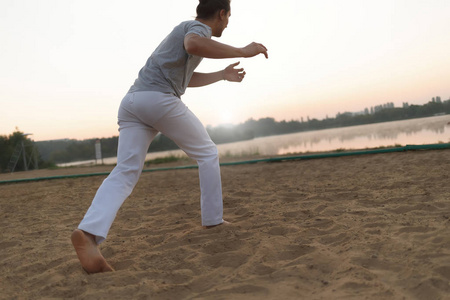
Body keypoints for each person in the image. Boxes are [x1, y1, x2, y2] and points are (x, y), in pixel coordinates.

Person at [71, 0, 268, 274]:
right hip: (157, 99)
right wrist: (243, 51)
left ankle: (89, 233)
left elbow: (185, 78)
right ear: (221, 14)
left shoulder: (189, 32)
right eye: (228, 17)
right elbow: (194, 45)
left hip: (132, 102)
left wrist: (222, 75)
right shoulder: (197, 29)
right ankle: (213, 221)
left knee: (125, 171)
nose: (228, 23)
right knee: (208, 152)